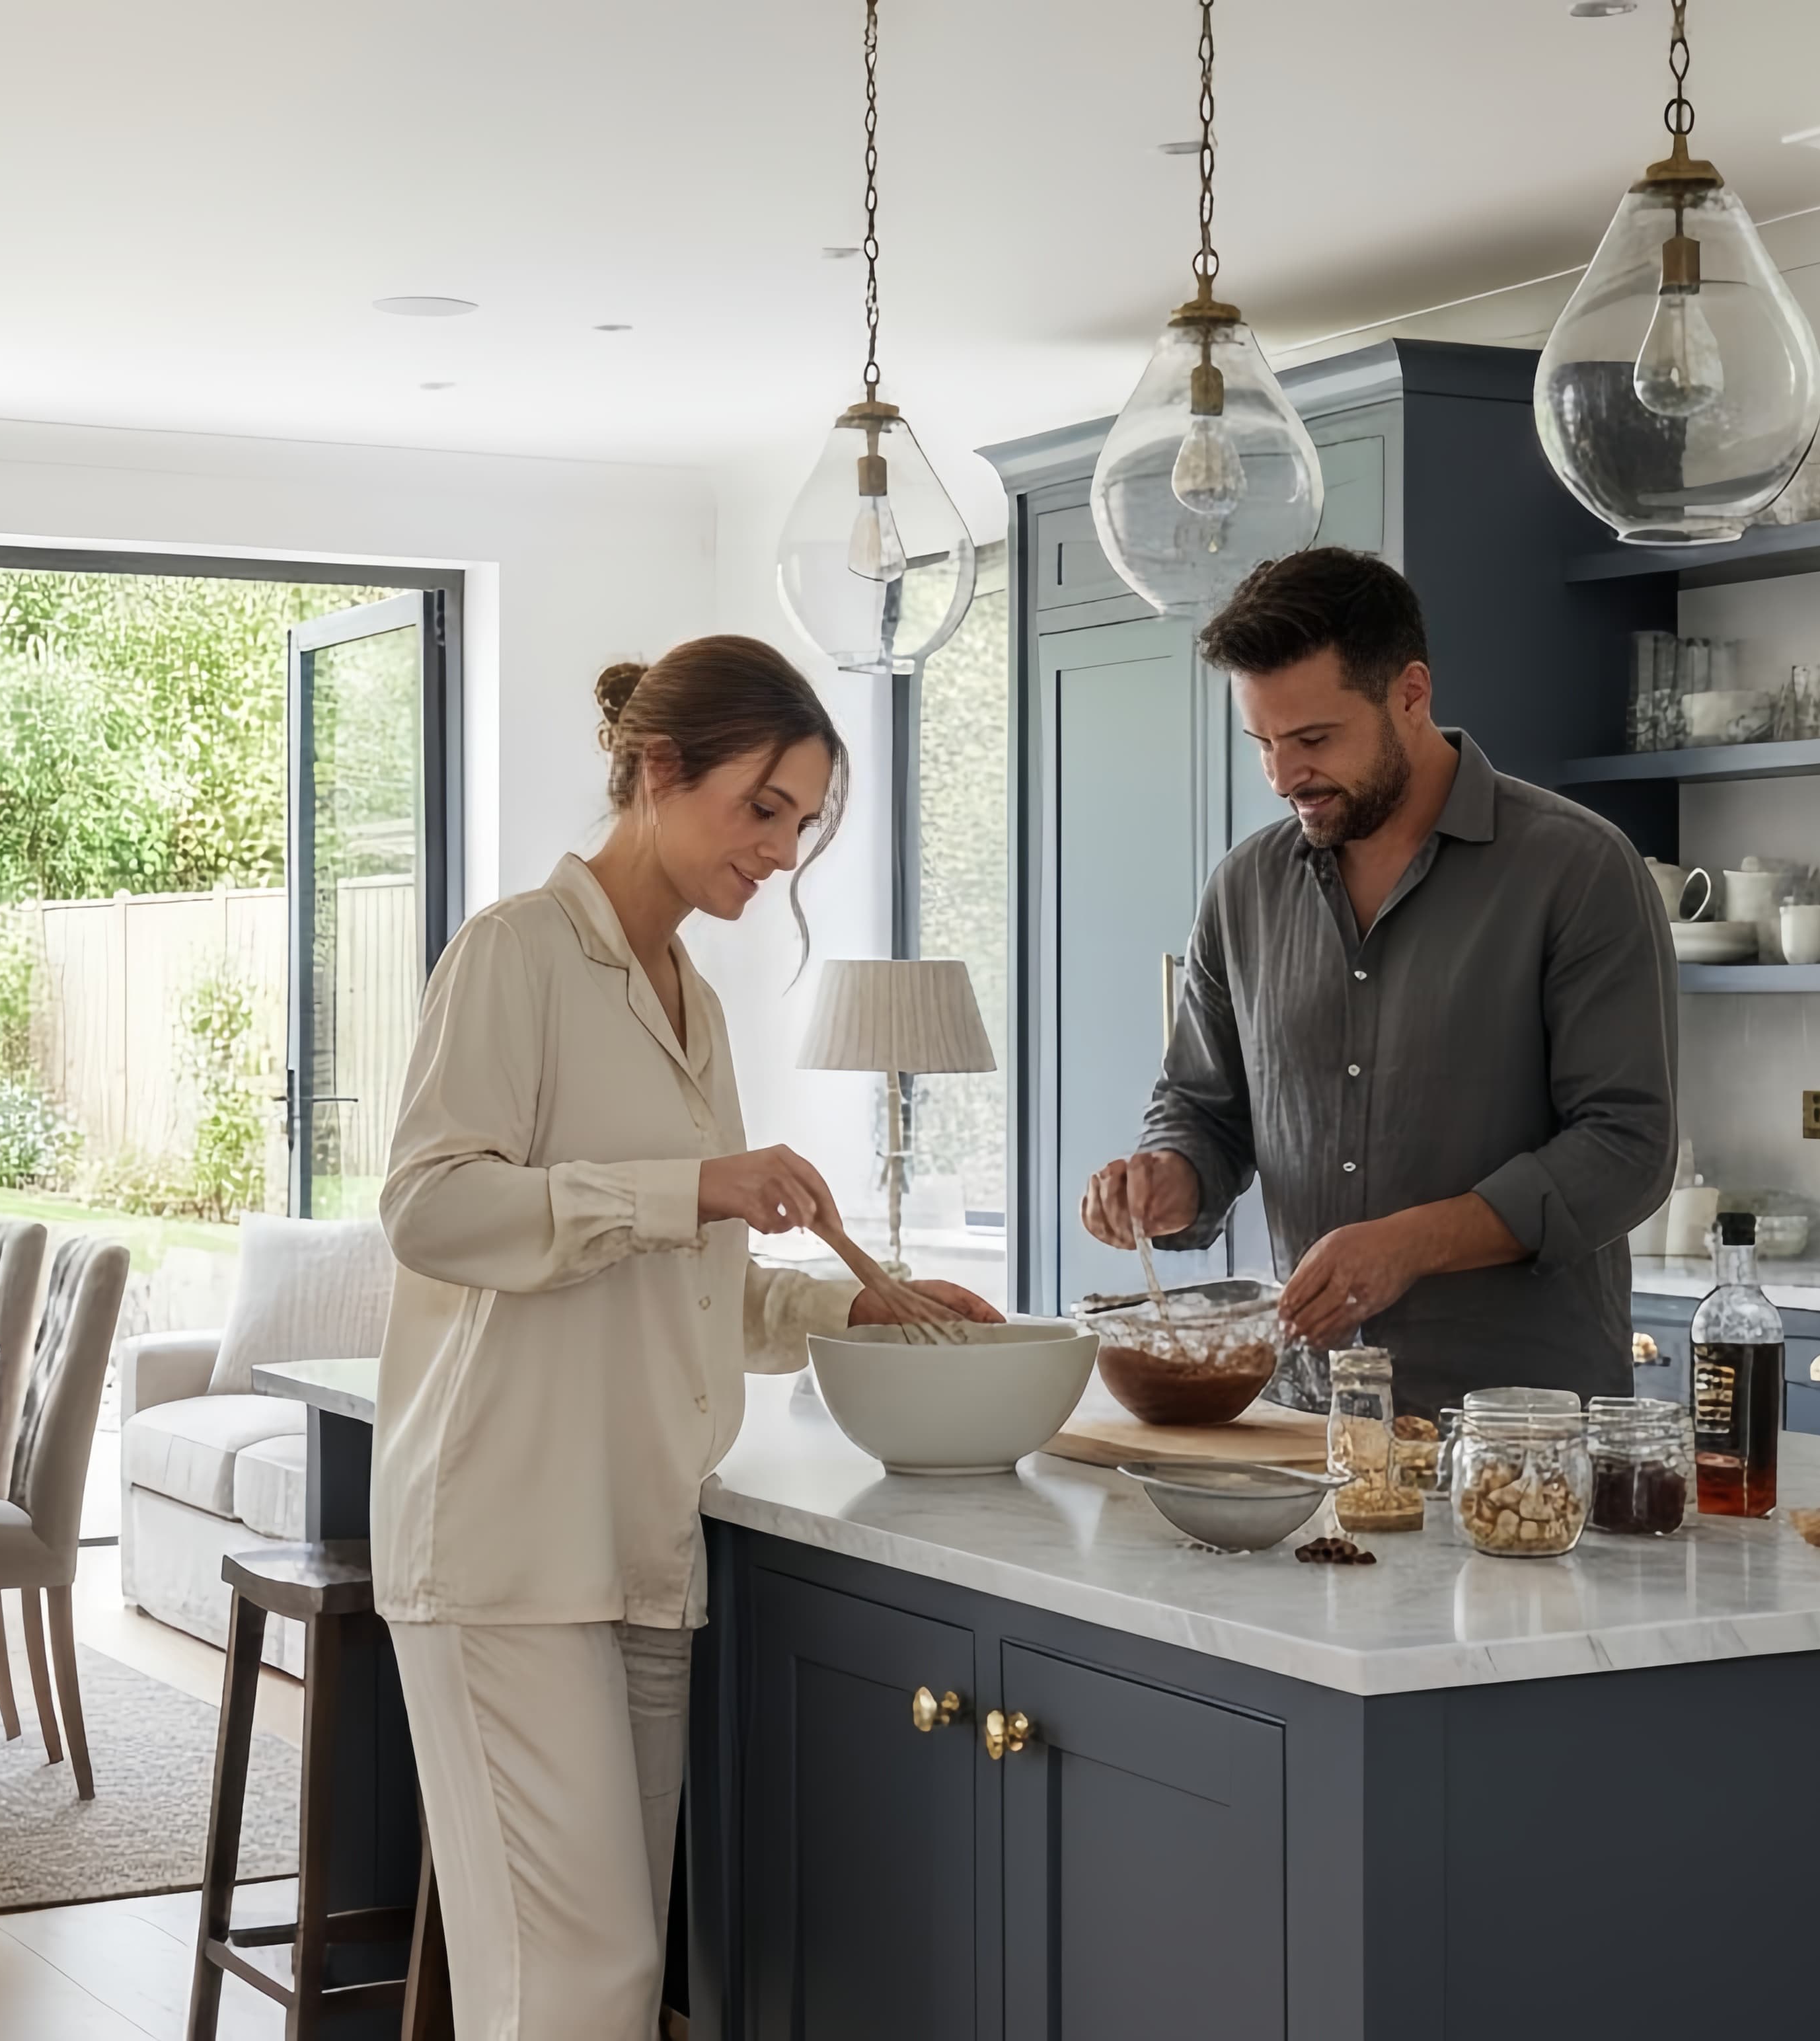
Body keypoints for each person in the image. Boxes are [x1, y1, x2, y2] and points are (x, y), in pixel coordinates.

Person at [371, 635, 1001, 2040]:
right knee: (570, 1985)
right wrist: (691, 1186)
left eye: (803, 823)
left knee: (615, 1976)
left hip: (643, 1546)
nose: (781, 851)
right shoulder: (515, 954)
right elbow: (430, 1209)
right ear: (659, 770)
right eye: (762, 808)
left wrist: (856, 1303)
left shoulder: (692, 1000)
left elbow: (691, 1282)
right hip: (509, 1542)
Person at [1082, 549, 1677, 1418]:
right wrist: (1172, 1176)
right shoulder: (1244, 888)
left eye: (1314, 739)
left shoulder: (1578, 869)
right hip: (1308, 1417)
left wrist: (1412, 1245)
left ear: (1411, 694)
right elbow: (1205, 1109)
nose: (1284, 778)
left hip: (1521, 1432)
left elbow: (1628, 1149)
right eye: (1264, 744)